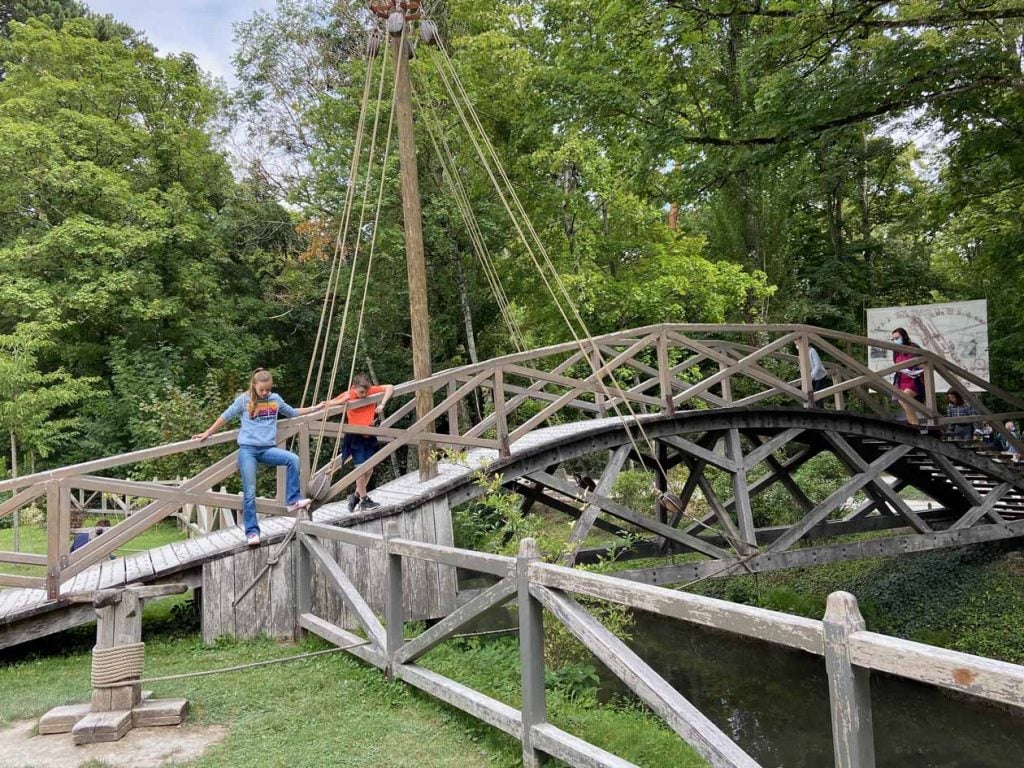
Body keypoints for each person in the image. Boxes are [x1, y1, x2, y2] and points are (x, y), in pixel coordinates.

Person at [193, 368, 323, 546]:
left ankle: (293, 500)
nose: (264, 393)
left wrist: (316, 408)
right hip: (248, 450)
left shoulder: (275, 400)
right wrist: (207, 432)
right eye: (261, 390)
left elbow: (292, 412)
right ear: (254, 386)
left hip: (267, 449)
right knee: (250, 491)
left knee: (292, 459)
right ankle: (252, 532)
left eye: (267, 390)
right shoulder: (244, 400)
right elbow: (226, 415)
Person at [327, 372, 394, 512]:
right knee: (360, 468)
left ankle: (356, 495)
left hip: (369, 434)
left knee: (369, 468)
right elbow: (330, 403)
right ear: (353, 387)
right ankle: (363, 499)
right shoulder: (349, 394)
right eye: (361, 392)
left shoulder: (370, 391)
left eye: (366, 392)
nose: (364, 395)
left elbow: (390, 387)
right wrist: (339, 402)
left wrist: (382, 404)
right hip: (355, 434)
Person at [890, 327, 925, 427]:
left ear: (904, 337)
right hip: (901, 380)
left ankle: (914, 424)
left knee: (903, 399)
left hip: (914, 380)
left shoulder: (914, 347)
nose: (895, 341)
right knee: (904, 402)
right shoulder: (896, 351)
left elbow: (924, 363)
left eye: (897, 338)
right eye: (893, 339)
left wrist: (916, 368)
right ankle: (912, 423)